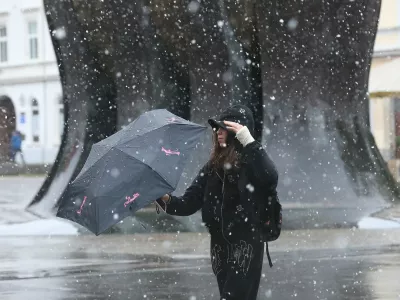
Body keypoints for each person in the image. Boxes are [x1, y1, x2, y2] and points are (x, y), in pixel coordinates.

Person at [155, 104, 278, 300]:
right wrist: (163, 197)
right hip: (219, 246)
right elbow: (188, 203)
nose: (218, 132)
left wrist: (250, 142)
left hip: (246, 245)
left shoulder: (251, 161)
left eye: (224, 128)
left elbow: (270, 178)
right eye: (217, 128)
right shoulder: (213, 166)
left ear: (238, 132)